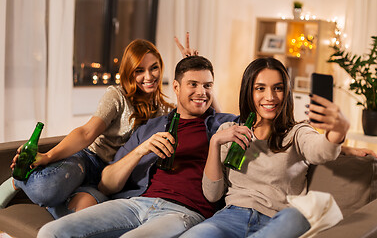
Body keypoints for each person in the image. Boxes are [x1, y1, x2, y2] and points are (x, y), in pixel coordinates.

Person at [37, 55, 237, 238]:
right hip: (136, 204)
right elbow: (106, 184)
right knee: (51, 232)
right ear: (176, 87)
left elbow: (259, 127)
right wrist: (142, 149)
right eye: (193, 84)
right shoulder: (151, 127)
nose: (201, 92)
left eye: (208, 85)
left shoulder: (225, 126)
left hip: (184, 212)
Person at [0, 38, 189, 217]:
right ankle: (19, 180)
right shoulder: (117, 96)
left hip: (115, 179)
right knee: (44, 190)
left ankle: (64, 196)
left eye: (154, 68)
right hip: (89, 161)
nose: (148, 76)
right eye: (139, 70)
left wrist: (192, 70)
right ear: (129, 72)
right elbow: (86, 133)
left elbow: (204, 112)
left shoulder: (166, 110)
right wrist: (48, 156)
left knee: (86, 214)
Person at [179, 57, 351, 238]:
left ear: (286, 92)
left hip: (277, 220)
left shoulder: (297, 133)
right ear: (248, 92)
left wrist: (338, 131)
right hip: (229, 219)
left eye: (278, 88)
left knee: (298, 216)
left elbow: (321, 151)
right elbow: (212, 195)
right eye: (260, 88)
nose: (270, 97)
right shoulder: (228, 131)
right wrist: (215, 143)